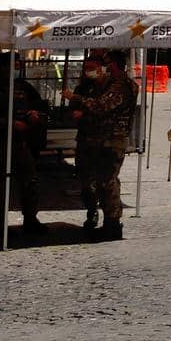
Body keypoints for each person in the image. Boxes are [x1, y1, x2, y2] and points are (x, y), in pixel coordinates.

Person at [65, 49, 137, 241]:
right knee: (88, 180)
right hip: (91, 139)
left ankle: (112, 224)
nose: (89, 71)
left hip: (111, 140)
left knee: (108, 180)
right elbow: (84, 109)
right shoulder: (91, 86)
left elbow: (102, 106)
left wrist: (76, 99)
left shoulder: (122, 85)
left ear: (111, 65)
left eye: (95, 67)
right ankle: (96, 215)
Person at [0, 52, 50, 236]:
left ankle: (30, 219)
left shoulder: (23, 86)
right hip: (0, 142)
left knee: (30, 182)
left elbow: (41, 108)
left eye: (18, 64)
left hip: (23, 143)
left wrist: (34, 116)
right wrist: (10, 124)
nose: (17, 68)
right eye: (13, 65)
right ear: (2, 67)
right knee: (0, 184)